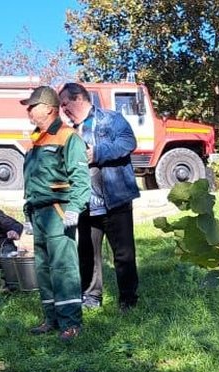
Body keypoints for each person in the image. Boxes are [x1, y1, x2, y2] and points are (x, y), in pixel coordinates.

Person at [58, 82, 141, 311]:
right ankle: (91, 297)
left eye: (64, 103)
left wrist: (98, 152)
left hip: (115, 200)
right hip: (86, 203)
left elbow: (128, 142)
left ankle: (128, 300)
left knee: (123, 254)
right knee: (87, 254)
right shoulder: (68, 132)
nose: (63, 109)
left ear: (78, 98)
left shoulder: (111, 119)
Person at [19, 86, 90, 341]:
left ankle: (71, 323)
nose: (28, 110)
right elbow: (33, 180)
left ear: (49, 109)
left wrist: (74, 208)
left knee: (63, 267)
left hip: (58, 212)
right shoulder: (36, 140)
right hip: (39, 214)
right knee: (44, 268)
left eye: (32, 106)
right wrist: (27, 212)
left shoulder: (67, 137)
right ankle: (51, 319)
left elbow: (80, 177)